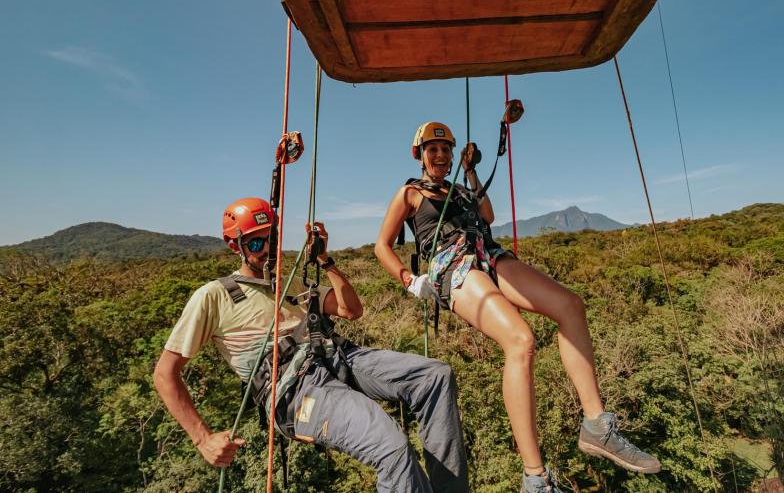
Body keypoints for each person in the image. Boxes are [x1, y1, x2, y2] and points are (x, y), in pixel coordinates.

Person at [375, 122, 661, 492]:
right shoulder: (410, 193)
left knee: (570, 305)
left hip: (486, 253)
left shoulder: (461, 190)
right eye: (433, 150)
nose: (441, 156)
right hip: (453, 265)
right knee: (520, 340)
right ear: (419, 154)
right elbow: (381, 245)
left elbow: (488, 216)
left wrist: (472, 170)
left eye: (446, 150)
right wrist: (409, 280)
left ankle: (596, 425)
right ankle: (535, 478)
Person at [154, 197, 469, 493]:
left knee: (434, 377)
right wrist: (203, 438)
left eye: (271, 239)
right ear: (234, 244)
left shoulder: (289, 282)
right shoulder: (214, 295)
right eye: (255, 242)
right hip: (294, 387)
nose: (266, 249)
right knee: (391, 446)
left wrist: (326, 262)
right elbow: (165, 374)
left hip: (335, 356)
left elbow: (351, 310)